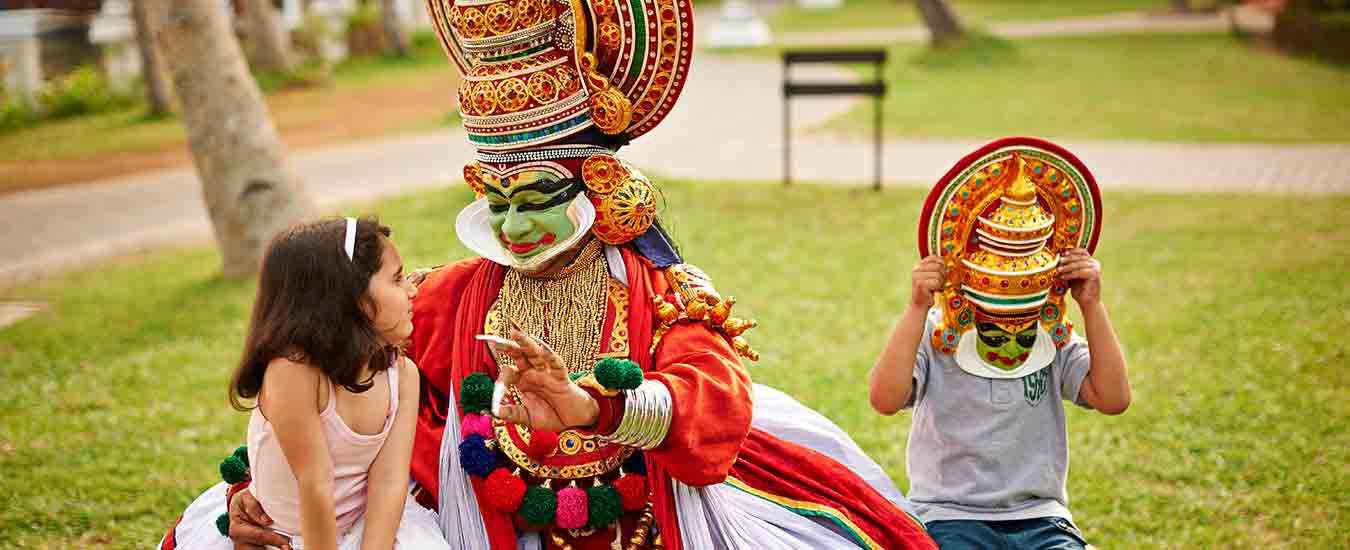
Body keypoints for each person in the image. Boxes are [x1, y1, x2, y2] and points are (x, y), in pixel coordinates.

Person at [189, 0, 939, 548]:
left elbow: (715, 405)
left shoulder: (661, 289)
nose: (513, 230)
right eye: (498, 202)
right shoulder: (453, 296)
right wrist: (254, 489)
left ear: (596, 186)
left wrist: (589, 408)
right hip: (488, 523)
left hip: (647, 522)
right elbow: (338, 383)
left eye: (536, 199)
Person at [868, 139, 1131, 549]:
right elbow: (884, 399)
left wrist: (1091, 306)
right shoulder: (937, 334)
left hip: (1041, 517)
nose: (1010, 340)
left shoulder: (1052, 335)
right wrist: (917, 308)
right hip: (948, 516)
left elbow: (1113, 398)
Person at [159, 218, 448, 550]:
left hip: (366, 527)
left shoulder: (404, 376)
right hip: (293, 536)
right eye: (396, 278)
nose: (412, 288)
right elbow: (315, 483)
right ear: (350, 299)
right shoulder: (293, 372)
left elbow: (388, 481)